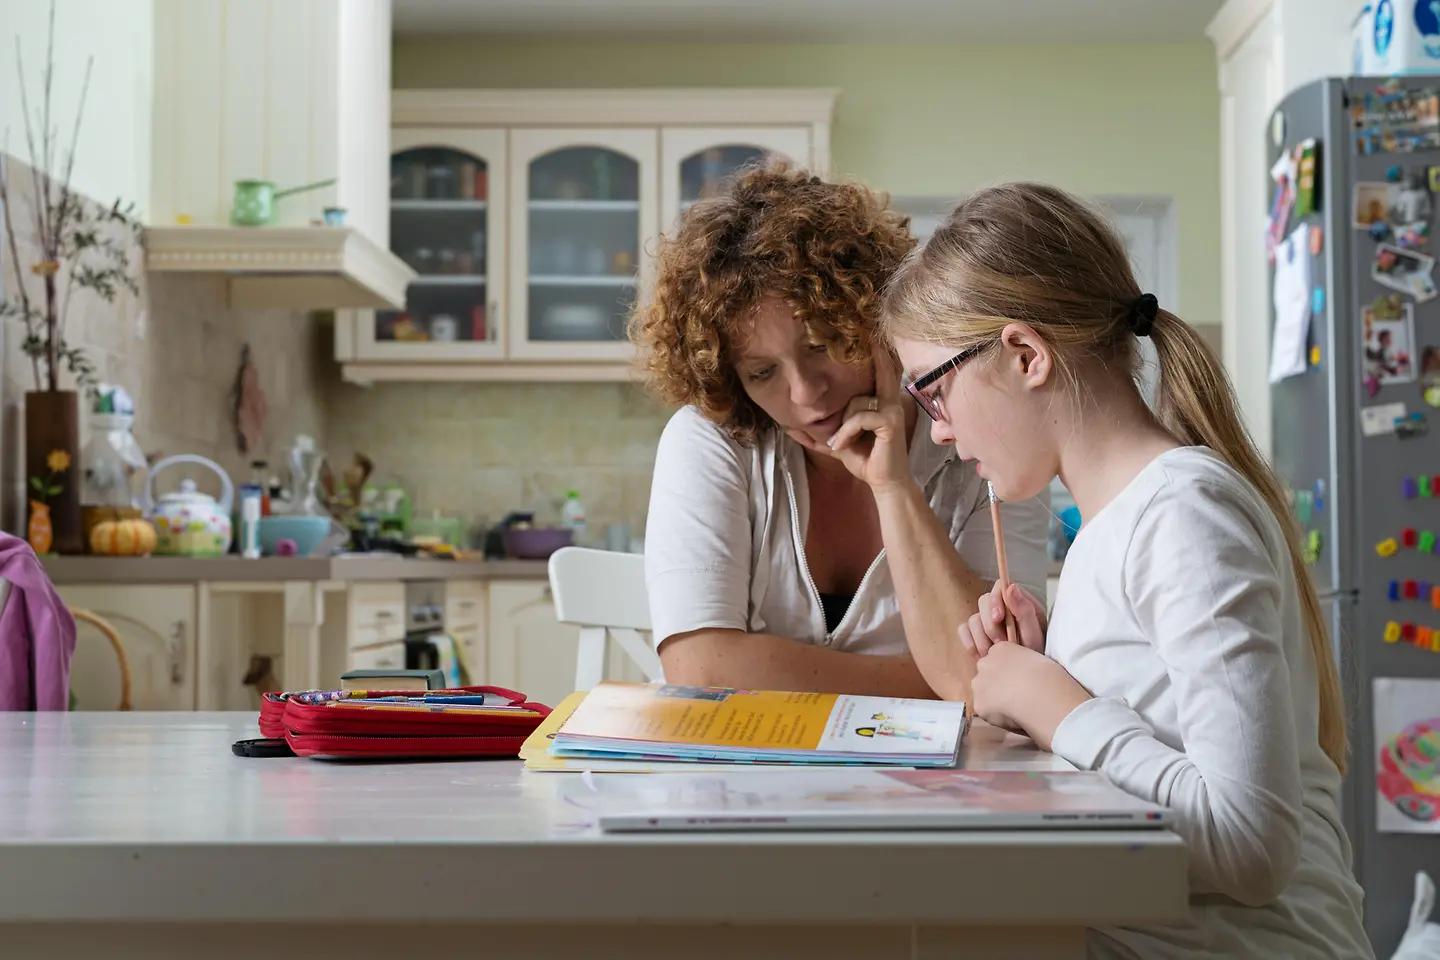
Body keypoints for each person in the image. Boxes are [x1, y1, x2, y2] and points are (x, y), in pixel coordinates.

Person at [879, 181, 1372, 958]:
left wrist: (1060, 707)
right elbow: (1150, 744)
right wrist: (1046, 677)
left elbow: (1251, 848)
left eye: (933, 393)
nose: (936, 431)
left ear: (1024, 355)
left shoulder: (1184, 515)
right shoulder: (1114, 526)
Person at [629, 163, 1048, 699]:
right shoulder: (712, 440)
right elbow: (700, 669)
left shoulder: (986, 444)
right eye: (762, 373)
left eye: (822, 344)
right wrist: (929, 679)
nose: (805, 394)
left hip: (924, 781)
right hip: (736, 776)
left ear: (873, 317)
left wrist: (894, 488)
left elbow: (1002, 676)